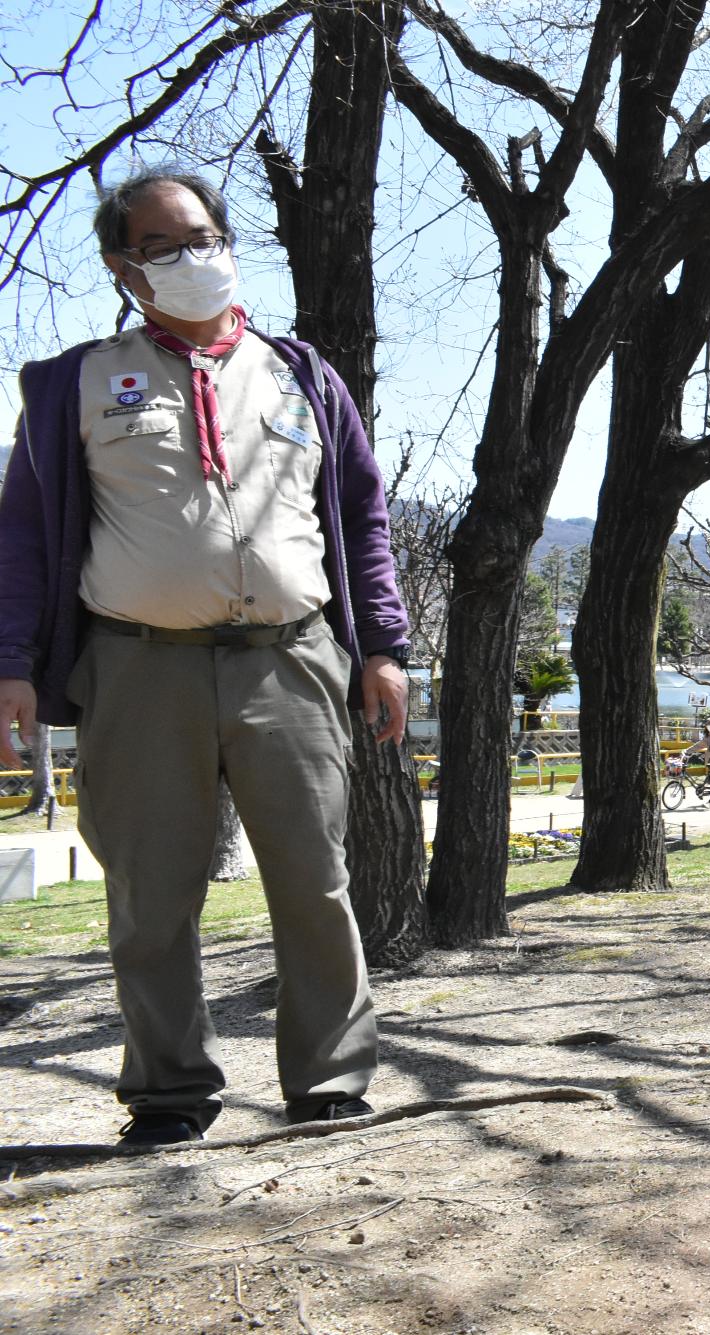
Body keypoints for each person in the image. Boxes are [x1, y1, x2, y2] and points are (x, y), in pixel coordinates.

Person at [0, 172, 411, 1146]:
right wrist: (9, 661)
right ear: (123, 266)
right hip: (139, 669)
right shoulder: (76, 384)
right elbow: (20, 532)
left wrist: (384, 647)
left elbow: (362, 513)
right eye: (166, 245)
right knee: (149, 895)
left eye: (206, 236)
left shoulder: (301, 375)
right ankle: (169, 1095)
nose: (196, 258)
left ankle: (331, 1082)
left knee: (314, 879)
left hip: (295, 661)